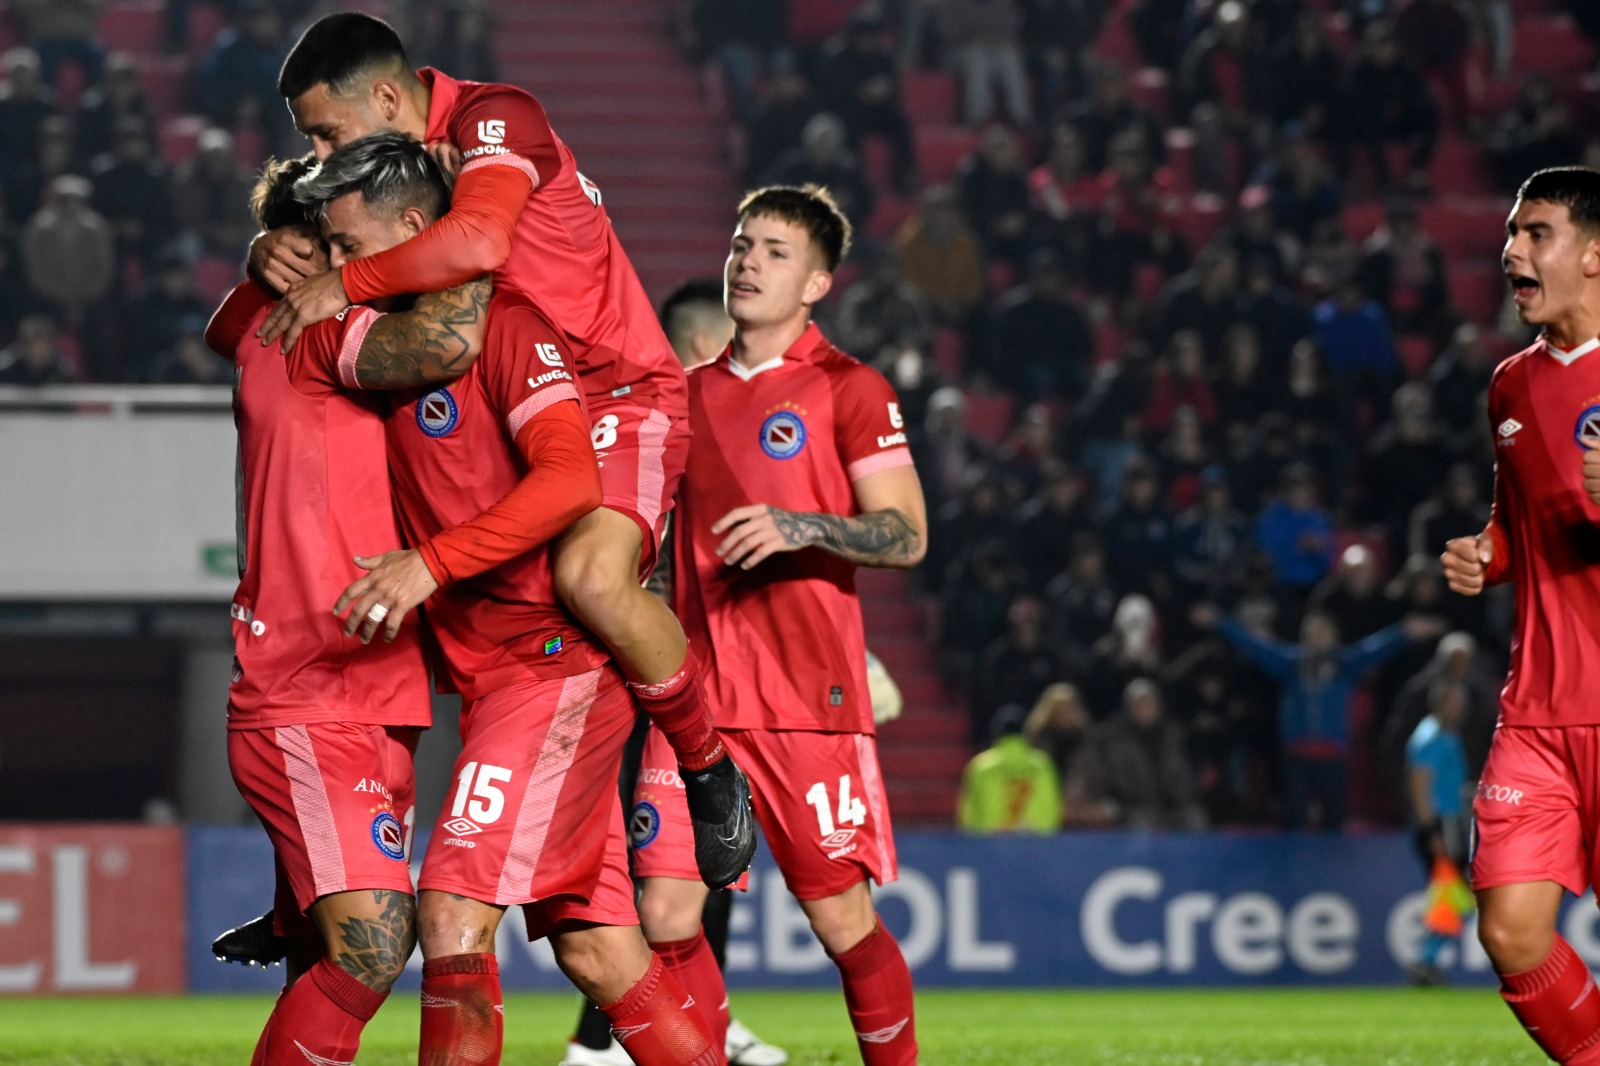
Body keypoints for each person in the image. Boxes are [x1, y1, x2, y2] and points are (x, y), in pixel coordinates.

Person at [252, 11, 753, 889]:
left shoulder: (497, 117)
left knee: (589, 581)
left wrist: (344, 280)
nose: (325, 154)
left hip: (614, 390)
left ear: (384, 96)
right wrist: (275, 248)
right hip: (511, 396)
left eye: (329, 131)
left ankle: (705, 765)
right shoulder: (392, 178)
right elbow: (323, 224)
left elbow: (480, 241)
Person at [280, 133, 724, 1066]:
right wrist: (259, 259)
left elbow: (569, 480)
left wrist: (428, 566)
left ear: (413, 228)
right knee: (600, 950)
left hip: (552, 665)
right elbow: (243, 327)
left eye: (351, 246)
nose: (340, 268)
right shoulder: (378, 341)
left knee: (450, 908)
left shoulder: (509, 327)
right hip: (493, 679)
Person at [631, 185, 927, 1066]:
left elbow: (906, 533)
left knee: (840, 921)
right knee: (664, 913)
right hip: (693, 701)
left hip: (806, 698)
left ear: (817, 284)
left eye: (775, 252)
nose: (749, 262)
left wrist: (805, 525)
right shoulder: (679, 398)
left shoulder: (852, 389)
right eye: (742, 244)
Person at [200, 153, 463, 1066]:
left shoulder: (292, 327)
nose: (360, 266)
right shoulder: (310, 334)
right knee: (375, 943)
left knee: (326, 954)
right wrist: (473, 244)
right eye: (337, 245)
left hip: (374, 688)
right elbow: (446, 344)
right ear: (303, 256)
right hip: (311, 688)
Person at [564, 276, 787, 1066]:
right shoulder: (682, 420)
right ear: (704, 345)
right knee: (653, 865)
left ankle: (671, 1027)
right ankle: (606, 1038)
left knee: (690, 863)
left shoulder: (650, 421)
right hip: (653, 675)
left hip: (661, 670)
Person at [1442, 166, 1600, 1066]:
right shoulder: (1510, 384)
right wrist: (1488, 555)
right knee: (1510, 930)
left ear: (1593, 253)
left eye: (1536, 232)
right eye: (1510, 232)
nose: (1511, 251)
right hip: (1537, 708)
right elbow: (1520, 522)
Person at [1404, 678, 1472, 986]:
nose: (1459, 709)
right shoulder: (1430, 737)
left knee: (1452, 894)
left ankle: (1427, 959)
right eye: (1453, 702)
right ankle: (1426, 958)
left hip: (1450, 821)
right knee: (1457, 893)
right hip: (1440, 824)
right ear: (1440, 703)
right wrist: (1432, 830)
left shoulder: (1447, 736)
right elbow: (1420, 785)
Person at [957, 704, 1063, 832]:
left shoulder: (981, 766)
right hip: (1035, 846)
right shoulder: (1042, 765)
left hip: (990, 847)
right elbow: (1054, 808)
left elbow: (969, 814)